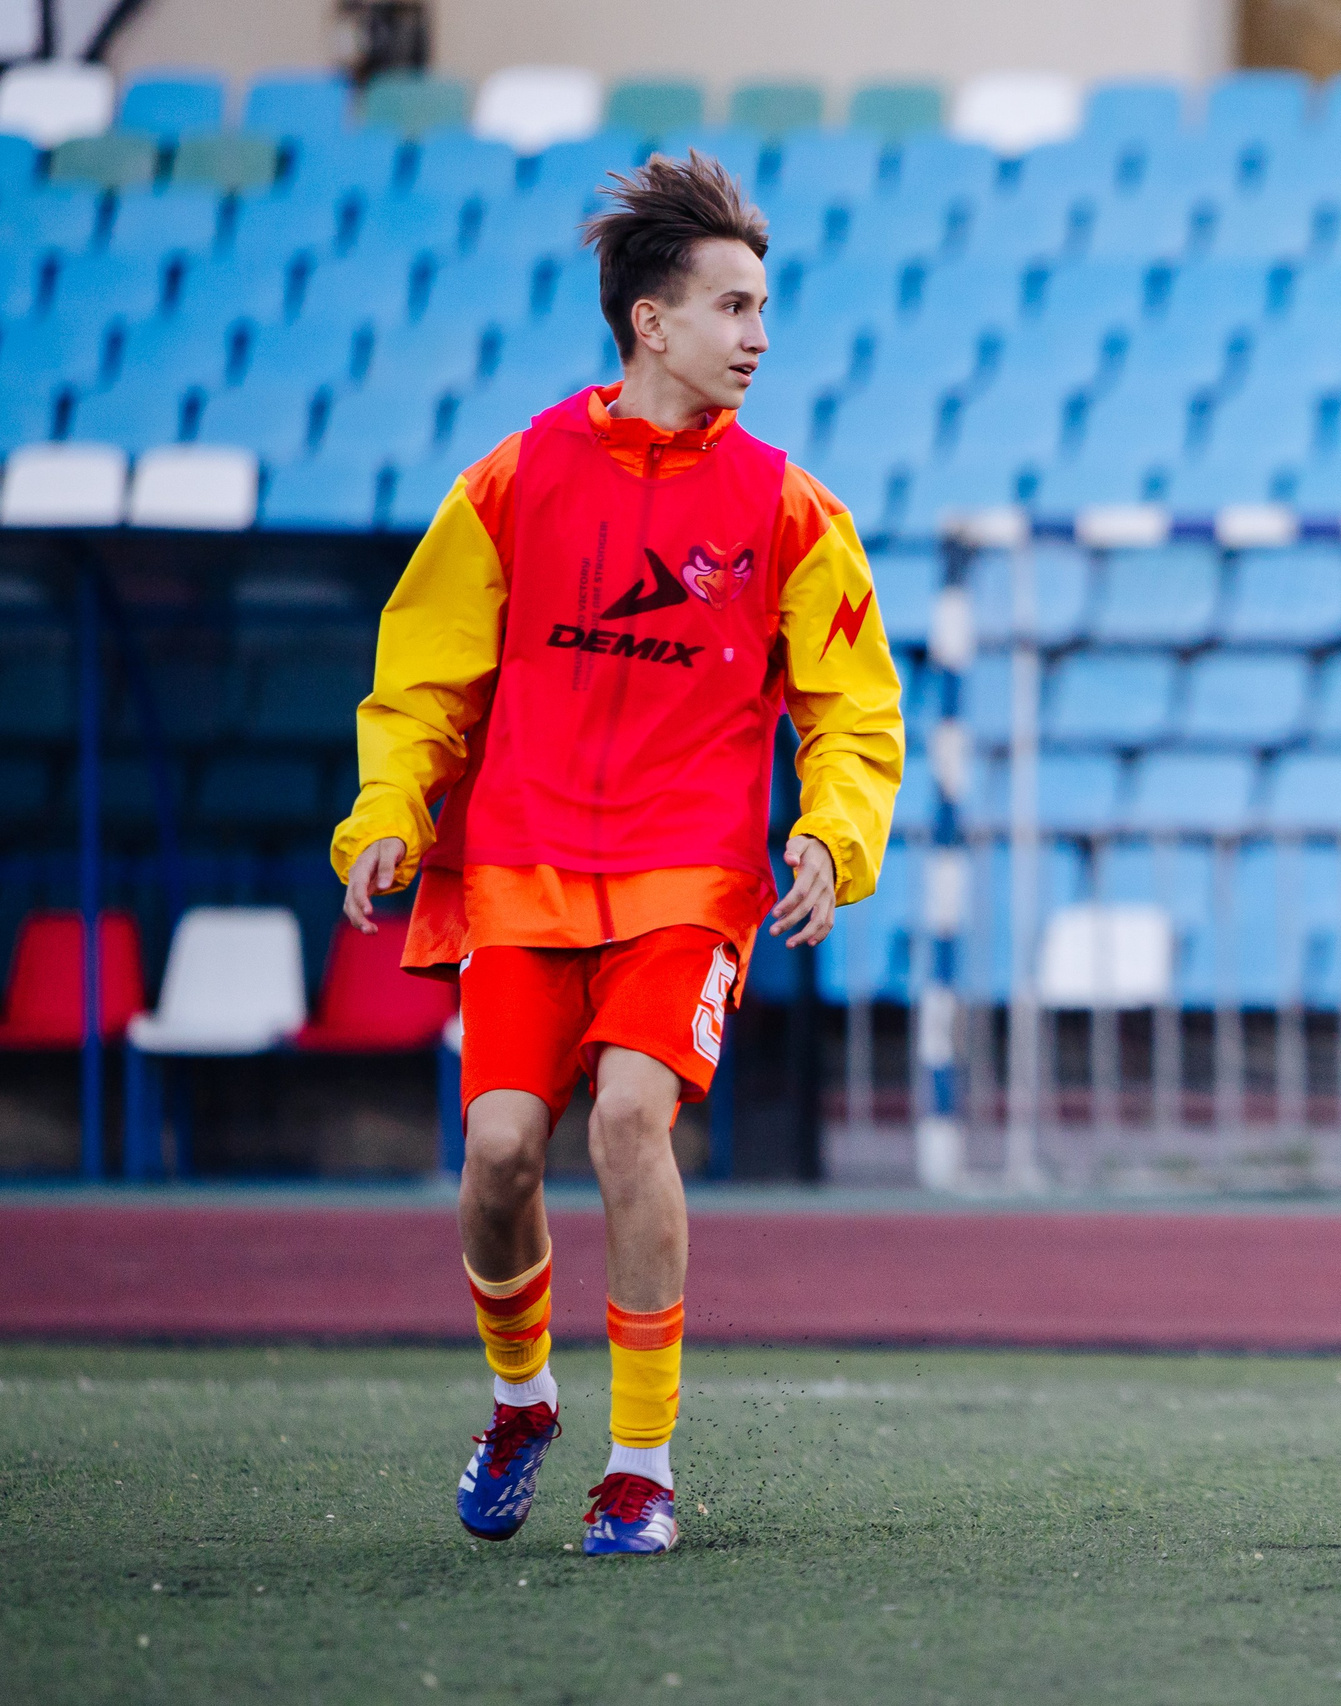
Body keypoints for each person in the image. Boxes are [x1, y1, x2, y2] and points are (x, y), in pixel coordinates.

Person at [329, 152, 903, 1556]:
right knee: (502, 1155)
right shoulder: (514, 478)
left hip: (687, 880)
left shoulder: (790, 510)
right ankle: (522, 1404)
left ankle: (639, 1468)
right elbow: (426, 679)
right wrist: (390, 810)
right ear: (652, 321)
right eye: (735, 307)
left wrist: (832, 835)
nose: (760, 336)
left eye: (765, 308)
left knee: (628, 1122)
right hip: (522, 871)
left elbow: (854, 706)